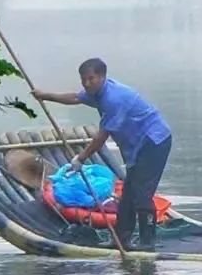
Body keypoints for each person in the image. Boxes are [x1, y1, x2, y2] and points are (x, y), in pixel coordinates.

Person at [36, 59, 172, 248]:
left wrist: (80, 159)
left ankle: (147, 242)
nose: (87, 84)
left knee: (141, 194)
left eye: (91, 79)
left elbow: (101, 137)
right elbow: (76, 98)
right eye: (84, 80)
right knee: (127, 194)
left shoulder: (114, 99)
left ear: (102, 77)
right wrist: (45, 96)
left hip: (154, 142)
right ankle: (121, 240)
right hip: (137, 146)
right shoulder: (97, 92)